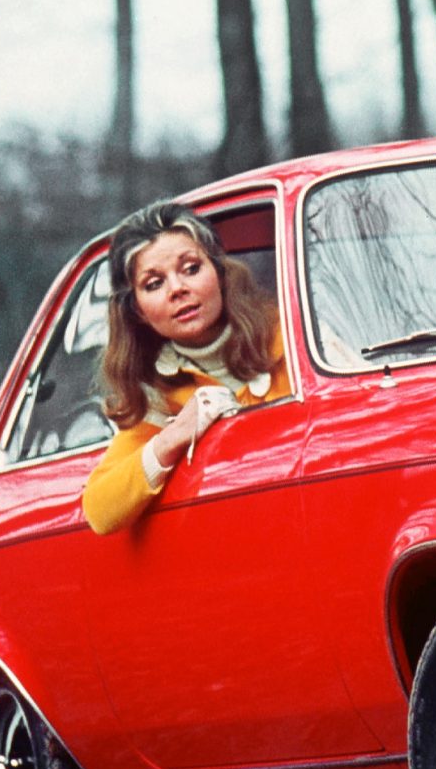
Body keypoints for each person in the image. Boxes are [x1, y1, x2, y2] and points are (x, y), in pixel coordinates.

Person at [81, 202, 290, 534]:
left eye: (191, 268)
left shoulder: (291, 334)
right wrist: (173, 438)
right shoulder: (155, 397)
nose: (177, 289)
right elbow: (100, 510)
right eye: (154, 284)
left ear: (219, 273)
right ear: (137, 311)